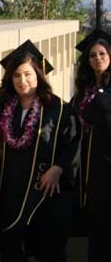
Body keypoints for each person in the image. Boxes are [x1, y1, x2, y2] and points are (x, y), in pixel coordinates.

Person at [0, 40, 79, 262]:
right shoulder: (0, 108)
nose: (22, 80)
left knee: (49, 253)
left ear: (39, 74)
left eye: (27, 74)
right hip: (9, 194)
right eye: (16, 75)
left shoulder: (61, 110)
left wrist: (59, 168)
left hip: (46, 195)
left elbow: (73, 143)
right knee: (11, 252)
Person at [71, 28, 111, 261]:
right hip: (87, 167)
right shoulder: (83, 90)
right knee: (96, 231)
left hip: (106, 163)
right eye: (92, 55)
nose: (97, 59)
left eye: (102, 54)